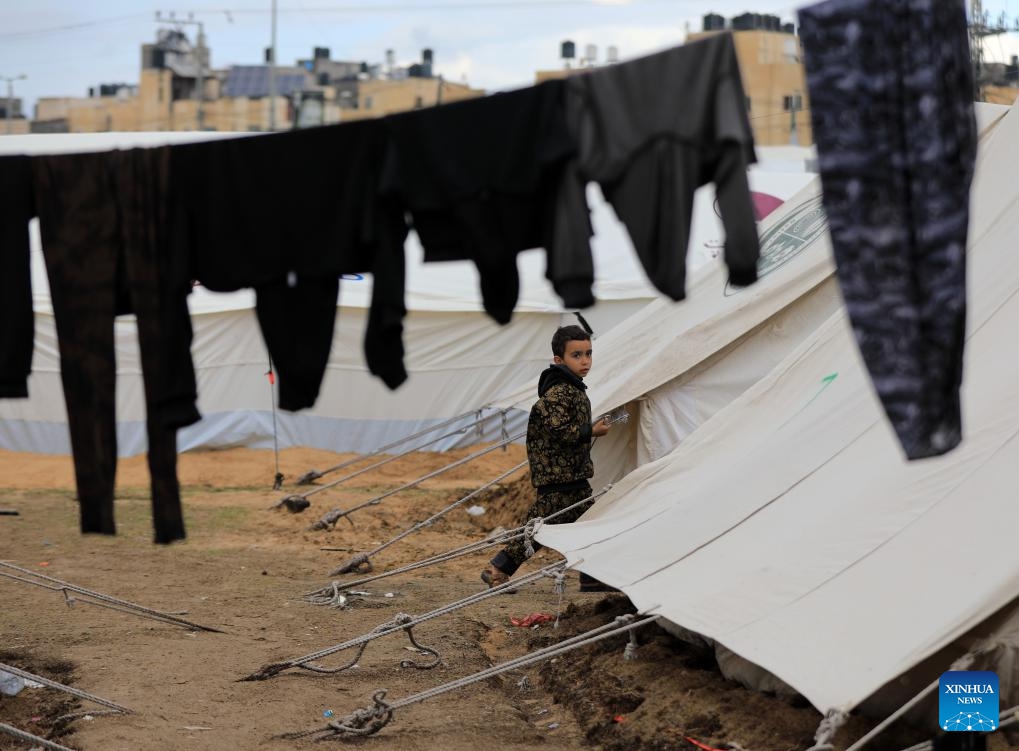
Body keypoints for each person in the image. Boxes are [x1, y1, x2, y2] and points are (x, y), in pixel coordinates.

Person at [481, 324, 611, 591]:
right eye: (577, 355)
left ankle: (590, 577)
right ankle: (496, 569)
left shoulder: (572, 389)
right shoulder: (559, 393)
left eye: (588, 354)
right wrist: (591, 430)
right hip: (559, 477)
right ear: (558, 360)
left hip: (571, 475)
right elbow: (560, 431)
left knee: (583, 524)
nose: (585, 361)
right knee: (538, 530)